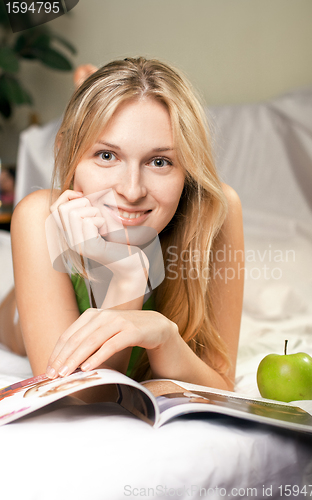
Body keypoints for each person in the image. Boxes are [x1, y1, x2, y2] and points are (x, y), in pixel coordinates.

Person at [0, 57, 244, 392]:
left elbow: (221, 382)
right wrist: (127, 272)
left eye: (160, 161)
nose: (131, 190)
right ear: (68, 155)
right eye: (106, 155)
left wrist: (166, 338)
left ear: (187, 169)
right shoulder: (38, 216)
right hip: (14, 319)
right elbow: (82, 394)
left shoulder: (216, 210)